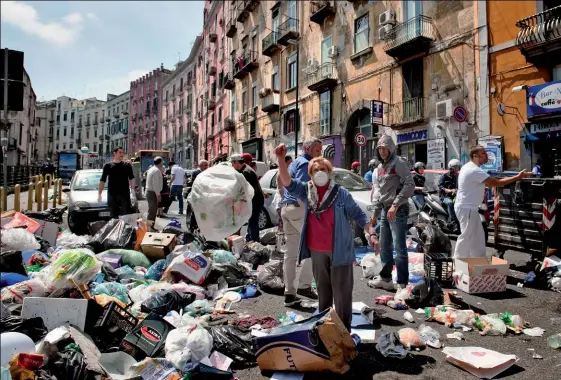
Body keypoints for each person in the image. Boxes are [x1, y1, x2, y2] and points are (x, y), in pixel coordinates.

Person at [275, 143, 370, 331]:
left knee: (342, 294)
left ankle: (343, 332)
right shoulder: (306, 190)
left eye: (324, 169)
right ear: (310, 174)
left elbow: (358, 213)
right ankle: (326, 330)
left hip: (340, 250)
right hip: (317, 250)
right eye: (316, 169)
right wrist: (280, 160)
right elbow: (287, 182)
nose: (320, 172)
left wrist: (371, 231)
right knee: (323, 293)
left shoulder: (340, 193)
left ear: (329, 172)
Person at [454, 145, 531, 258]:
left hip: (470, 208)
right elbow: (497, 183)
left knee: (478, 238)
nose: (487, 156)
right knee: (466, 237)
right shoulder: (474, 170)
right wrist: (518, 177)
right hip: (467, 208)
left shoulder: (469, 167)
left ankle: (478, 263)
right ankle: (457, 264)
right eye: (484, 153)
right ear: (475, 156)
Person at [280, 138, 323, 306]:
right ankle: (304, 286)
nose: (320, 153)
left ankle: (289, 293)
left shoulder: (294, 163)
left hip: (287, 208)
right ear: (308, 148)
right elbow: (302, 191)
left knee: (290, 253)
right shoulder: (306, 164)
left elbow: (282, 181)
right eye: (318, 150)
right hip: (298, 210)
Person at [368, 135, 415, 291]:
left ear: (391, 148)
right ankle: (385, 278)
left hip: (397, 210)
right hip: (384, 210)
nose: (382, 151)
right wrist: (375, 213)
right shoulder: (380, 168)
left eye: (384, 148)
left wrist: (395, 205)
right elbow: (380, 193)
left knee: (399, 247)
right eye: (379, 149)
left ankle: (402, 282)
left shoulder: (398, 163)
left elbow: (410, 184)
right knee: (384, 246)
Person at [230, 154, 265, 243]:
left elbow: (246, 191)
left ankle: (255, 244)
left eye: (232, 163)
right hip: (255, 200)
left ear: (236, 162)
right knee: (251, 221)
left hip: (255, 201)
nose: (232, 166)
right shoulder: (245, 169)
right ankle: (250, 240)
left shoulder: (246, 172)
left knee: (253, 222)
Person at [99, 147, 135, 218]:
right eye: (120, 152)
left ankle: (124, 229)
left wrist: (133, 191)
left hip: (124, 195)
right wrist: (99, 194)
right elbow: (102, 180)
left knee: (126, 216)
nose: (122, 154)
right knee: (113, 216)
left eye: (123, 152)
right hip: (112, 194)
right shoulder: (108, 166)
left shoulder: (127, 165)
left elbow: (132, 178)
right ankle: (115, 228)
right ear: (114, 153)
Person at [439, 159, 461, 233]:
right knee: (450, 203)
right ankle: (453, 224)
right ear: (451, 168)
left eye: (458, 167)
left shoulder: (458, 176)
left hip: (455, 196)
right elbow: (441, 187)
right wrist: (450, 190)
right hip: (445, 197)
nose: (457, 169)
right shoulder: (444, 176)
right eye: (456, 167)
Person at [145, 157, 164, 228]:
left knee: (152, 210)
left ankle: (150, 227)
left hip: (150, 192)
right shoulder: (156, 170)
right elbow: (155, 184)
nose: (163, 163)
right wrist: (158, 194)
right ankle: (149, 227)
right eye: (162, 162)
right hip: (152, 192)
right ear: (160, 162)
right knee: (152, 211)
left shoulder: (152, 169)